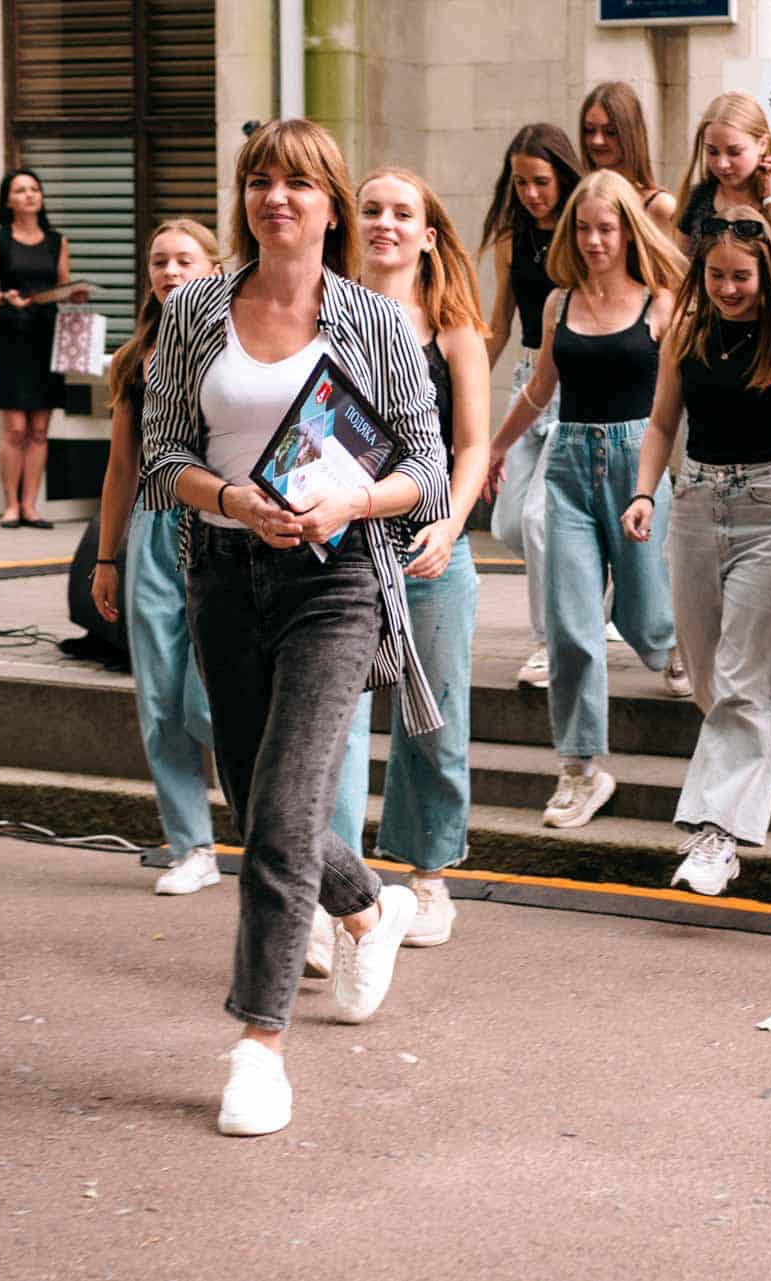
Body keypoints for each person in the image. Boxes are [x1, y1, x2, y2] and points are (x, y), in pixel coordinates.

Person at [139, 118, 449, 1137]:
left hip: (335, 580)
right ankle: (368, 905)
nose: (277, 197)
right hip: (225, 574)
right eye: (260, 181)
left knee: (281, 811)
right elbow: (161, 458)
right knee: (252, 792)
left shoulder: (374, 320)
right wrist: (234, 500)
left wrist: (350, 502)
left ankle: (258, 1049)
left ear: (329, 204)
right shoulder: (196, 310)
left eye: (299, 183)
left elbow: (427, 470)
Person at [90, 219, 374, 911]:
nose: (169, 271)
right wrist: (106, 554)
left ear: (212, 270)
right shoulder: (134, 358)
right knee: (159, 697)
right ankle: (190, 843)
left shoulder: (236, 338)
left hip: (230, 525)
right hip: (157, 523)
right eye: (158, 260)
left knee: (210, 702)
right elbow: (125, 465)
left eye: (183, 259)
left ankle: (310, 858)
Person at [622, 206, 771, 895]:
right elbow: (661, 423)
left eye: (741, 276)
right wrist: (645, 492)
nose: (728, 288)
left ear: (767, 276)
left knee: (744, 683)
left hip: (769, 510)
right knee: (709, 675)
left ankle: (719, 835)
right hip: (695, 505)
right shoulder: (685, 335)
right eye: (716, 275)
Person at [488, 170, 686, 830]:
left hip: (637, 467)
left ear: (630, 232)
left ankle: (686, 650)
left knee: (648, 622)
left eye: (607, 228)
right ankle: (579, 768)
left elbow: (680, 400)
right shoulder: (559, 303)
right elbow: (541, 387)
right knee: (571, 625)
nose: (595, 240)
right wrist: (495, 447)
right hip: (569, 463)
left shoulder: (661, 302)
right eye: (583, 229)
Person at [356, 167, 491, 946]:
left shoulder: (453, 330)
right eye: (371, 209)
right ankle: (335, 884)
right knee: (334, 723)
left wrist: (450, 523)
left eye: (402, 213)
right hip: (340, 544)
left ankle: (430, 876)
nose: (385, 223)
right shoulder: (327, 315)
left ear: (428, 235)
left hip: (429, 546)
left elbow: (472, 446)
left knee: (434, 722)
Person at [482, 124, 583, 690]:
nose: (530, 194)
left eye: (541, 181)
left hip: (575, 384)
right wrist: (461, 389)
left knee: (542, 519)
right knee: (508, 523)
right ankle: (586, 566)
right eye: (520, 182)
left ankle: (548, 644)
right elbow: (498, 323)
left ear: (562, 177)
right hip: (527, 382)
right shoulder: (510, 238)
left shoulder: (583, 231)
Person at [0, 168, 84, 529]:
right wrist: (4, 297)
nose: (30, 195)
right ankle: (11, 506)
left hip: (47, 334)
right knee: (15, 428)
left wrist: (75, 295)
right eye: (20, 190)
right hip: (12, 335)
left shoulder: (57, 241)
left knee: (39, 429)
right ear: (8, 200)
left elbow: (63, 287)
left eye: (35, 189)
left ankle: (31, 506)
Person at [671, 91, 771, 295]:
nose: (722, 164)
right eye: (712, 152)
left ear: (762, 144)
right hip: (708, 313)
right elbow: (677, 271)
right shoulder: (700, 196)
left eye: (734, 152)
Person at [579, 81, 678, 239]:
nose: (597, 140)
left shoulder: (661, 207)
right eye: (589, 130)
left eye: (610, 132)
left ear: (631, 134)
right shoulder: (580, 199)